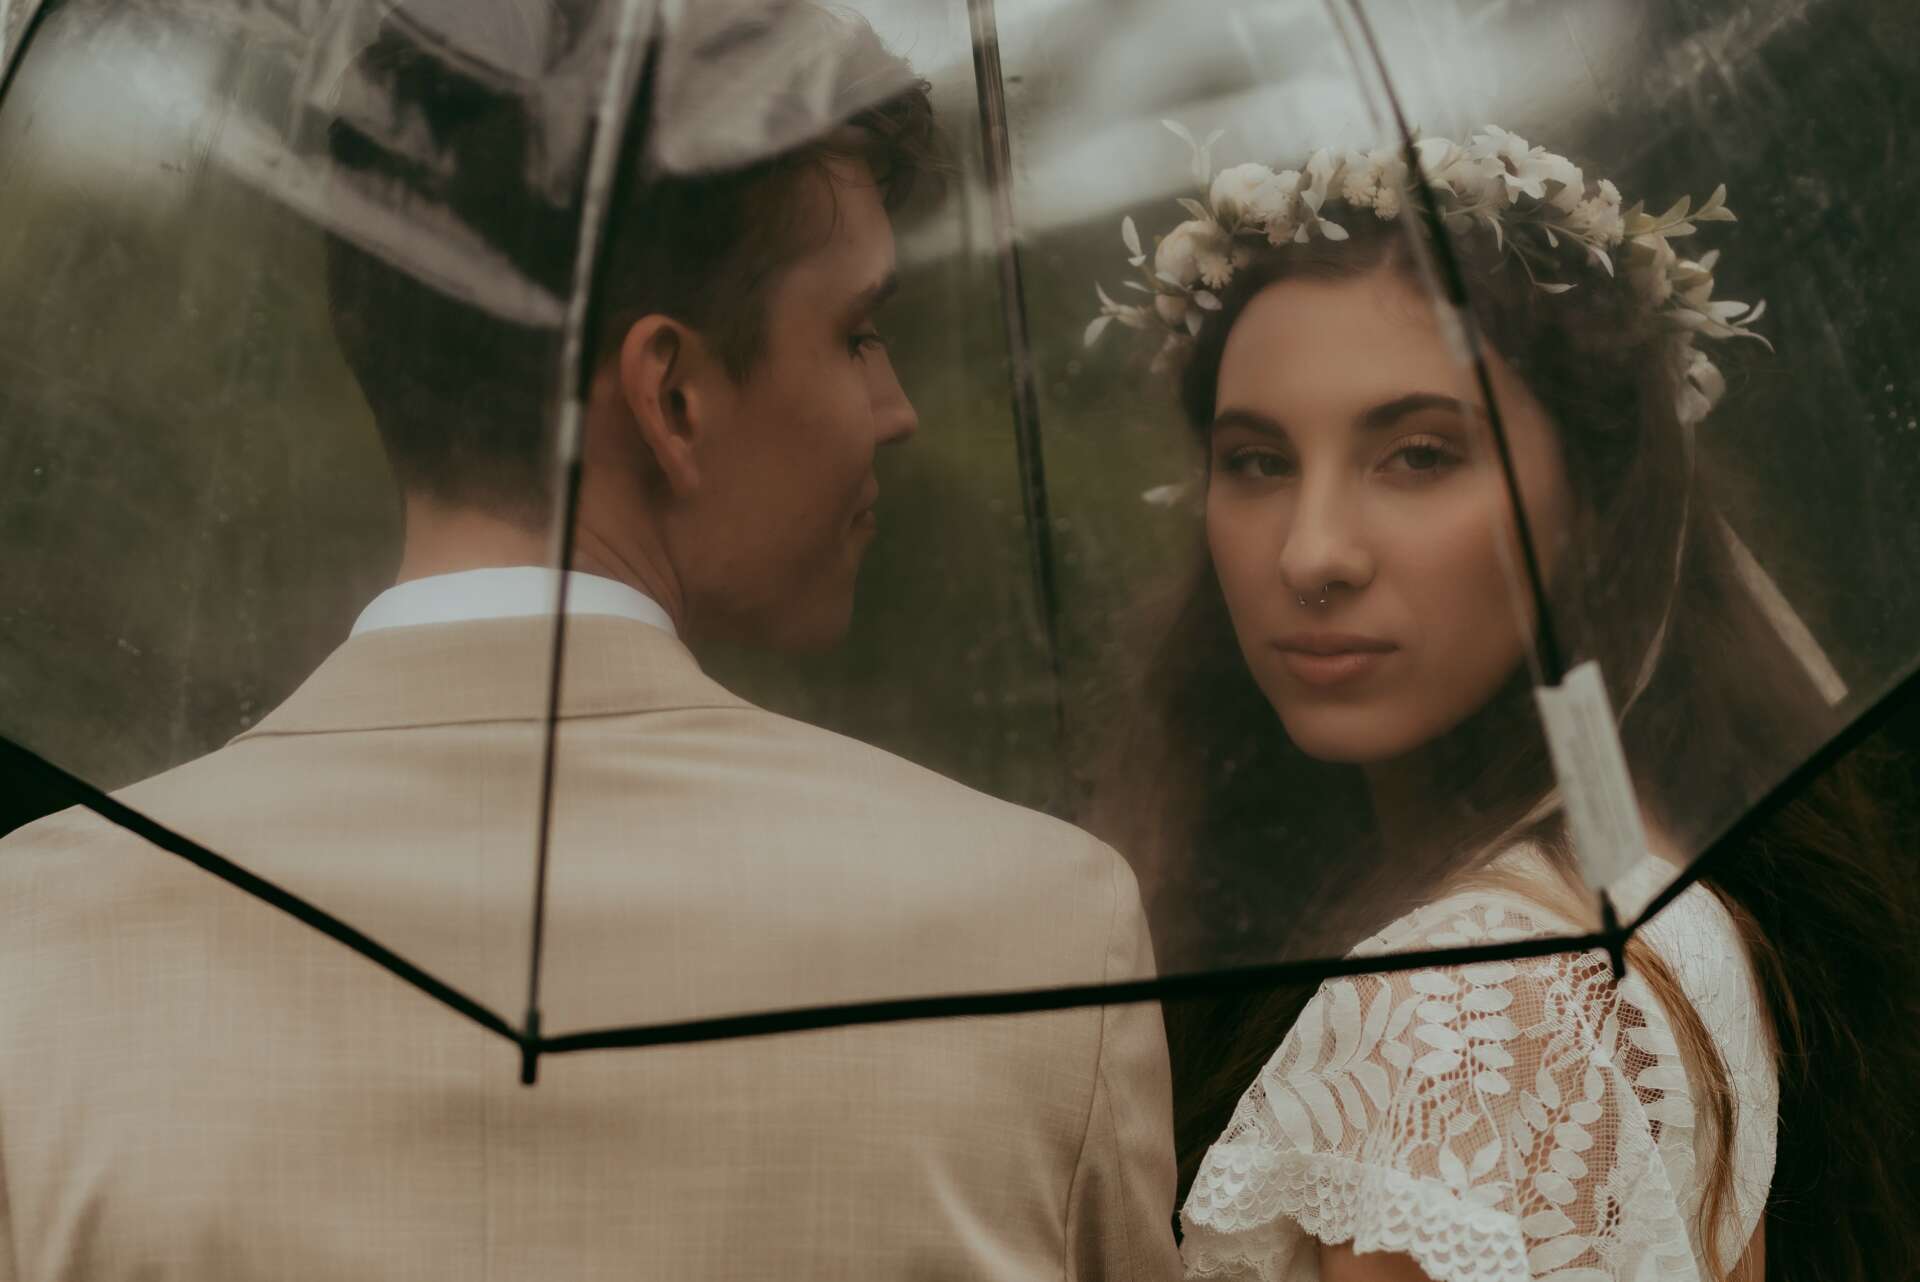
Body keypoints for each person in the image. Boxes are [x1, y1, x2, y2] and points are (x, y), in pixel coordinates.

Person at [0, 4, 1181, 1278]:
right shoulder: (1038, 935)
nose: (892, 408)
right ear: (672, 395)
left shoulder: (42, 939)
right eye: (856, 332)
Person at [1087, 130, 1919, 1280]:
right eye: (1258, 461)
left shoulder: (1465, 1008)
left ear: (1594, 495)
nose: (1311, 554)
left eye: (1420, 454)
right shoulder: (1643, 887)